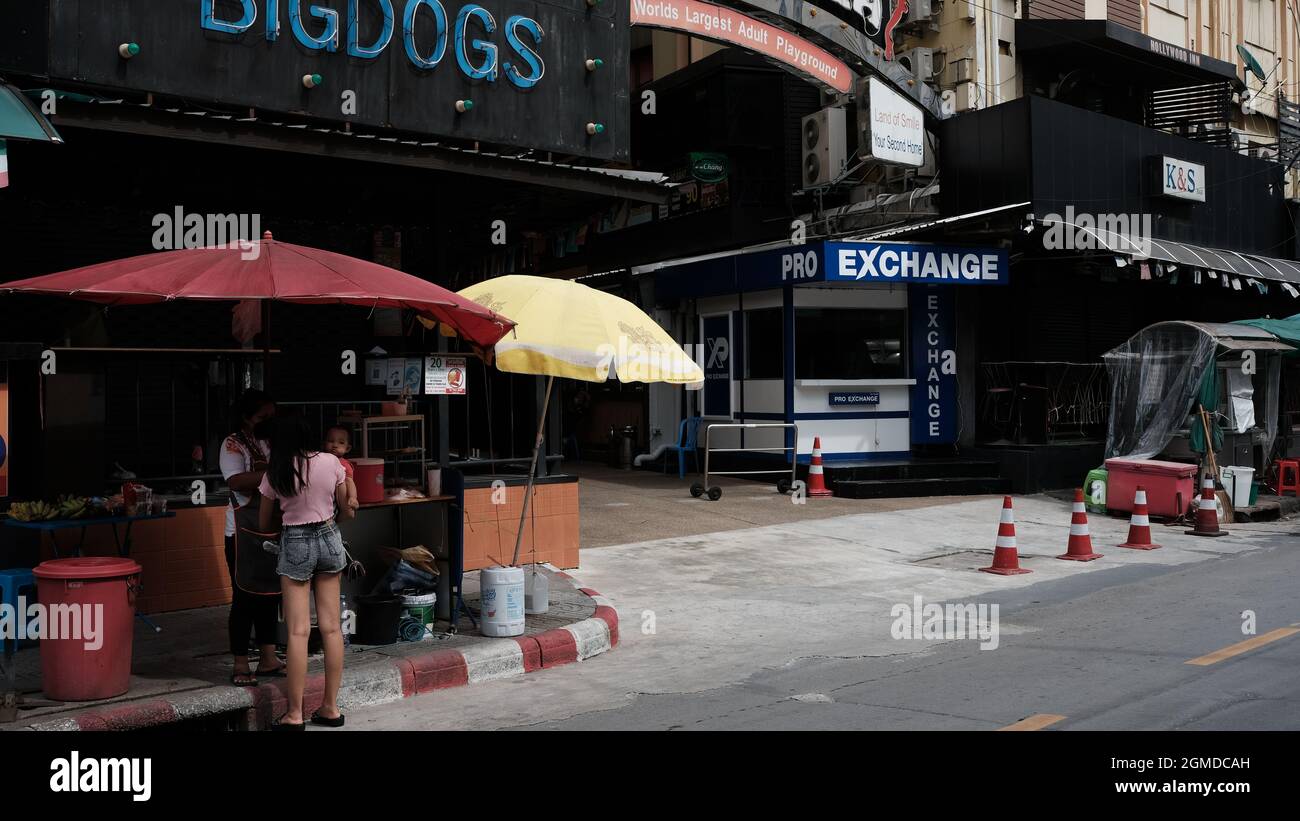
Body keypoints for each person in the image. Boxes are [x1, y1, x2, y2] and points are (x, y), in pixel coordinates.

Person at [259, 415, 356, 730]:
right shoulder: (331, 462)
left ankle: (295, 714)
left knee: (298, 631)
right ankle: (330, 708)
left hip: (295, 541)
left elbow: (263, 524)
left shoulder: (276, 471)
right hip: (329, 538)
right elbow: (344, 507)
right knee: (331, 629)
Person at [219, 389, 283, 687]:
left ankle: (268, 658)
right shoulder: (233, 444)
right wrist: (276, 472)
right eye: (263, 417)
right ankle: (241, 662)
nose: (269, 422)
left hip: (272, 528)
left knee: (270, 595)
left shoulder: (272, 441)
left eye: (272, 416)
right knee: (244, 597)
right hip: (242, 533)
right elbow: (235, 481)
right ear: (247, 418)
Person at [323, 425, 359, 513]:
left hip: (337, 501)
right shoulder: (320, 459)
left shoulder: (344, 464)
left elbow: (350, 482)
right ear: (324, 443)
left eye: (341, 442)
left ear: (347, 448)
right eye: (331, 441)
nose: (335, 445)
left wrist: (353, 498)